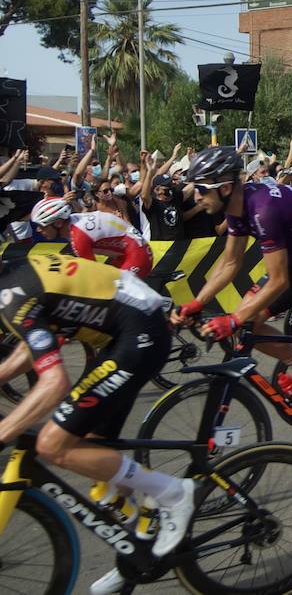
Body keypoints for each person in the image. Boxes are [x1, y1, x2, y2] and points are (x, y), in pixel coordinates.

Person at [0, 252, 191, 594]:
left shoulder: (10, 296)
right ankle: (137, 547)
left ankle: (172, 493)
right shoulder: (14, 283)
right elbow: (33, 348)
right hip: (123, 333)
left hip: (138, 334)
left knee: (52, 444)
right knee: (87, 446)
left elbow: (54, 382)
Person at [170, 147, 292, 479]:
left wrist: (231, 318)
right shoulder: (237, 207)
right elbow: (229, 263)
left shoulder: (263, 209)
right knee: (251, 320)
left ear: (225, 187)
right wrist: (197, 303)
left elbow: (278, 280)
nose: (195, 196)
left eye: (200, 188)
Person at [30, 198, 153, 277]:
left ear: (58, 223)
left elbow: (92, 275)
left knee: (112, 298)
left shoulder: (78, 236)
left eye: (42, 225)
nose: (38, 230)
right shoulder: (74, 223)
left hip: (137, 255)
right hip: (128, 253)